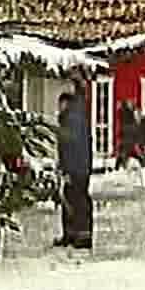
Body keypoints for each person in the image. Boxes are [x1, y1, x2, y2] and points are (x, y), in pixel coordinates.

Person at [53, 87, 93, 250]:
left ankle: (79, 234)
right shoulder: (77, 118)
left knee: (76, 200)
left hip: (75, 167)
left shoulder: (71, 120)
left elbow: (71, 146)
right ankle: (75, 233)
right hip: (81, 166)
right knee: (74, 198)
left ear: (65, 103)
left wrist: (67, 168)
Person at [115, 101, 140, 170]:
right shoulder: (130, 117)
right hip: (129, 135)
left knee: (124, 152)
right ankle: (119, 166)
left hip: (127, 135)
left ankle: (118, 166)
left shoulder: (124, 116)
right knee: (128, 152)